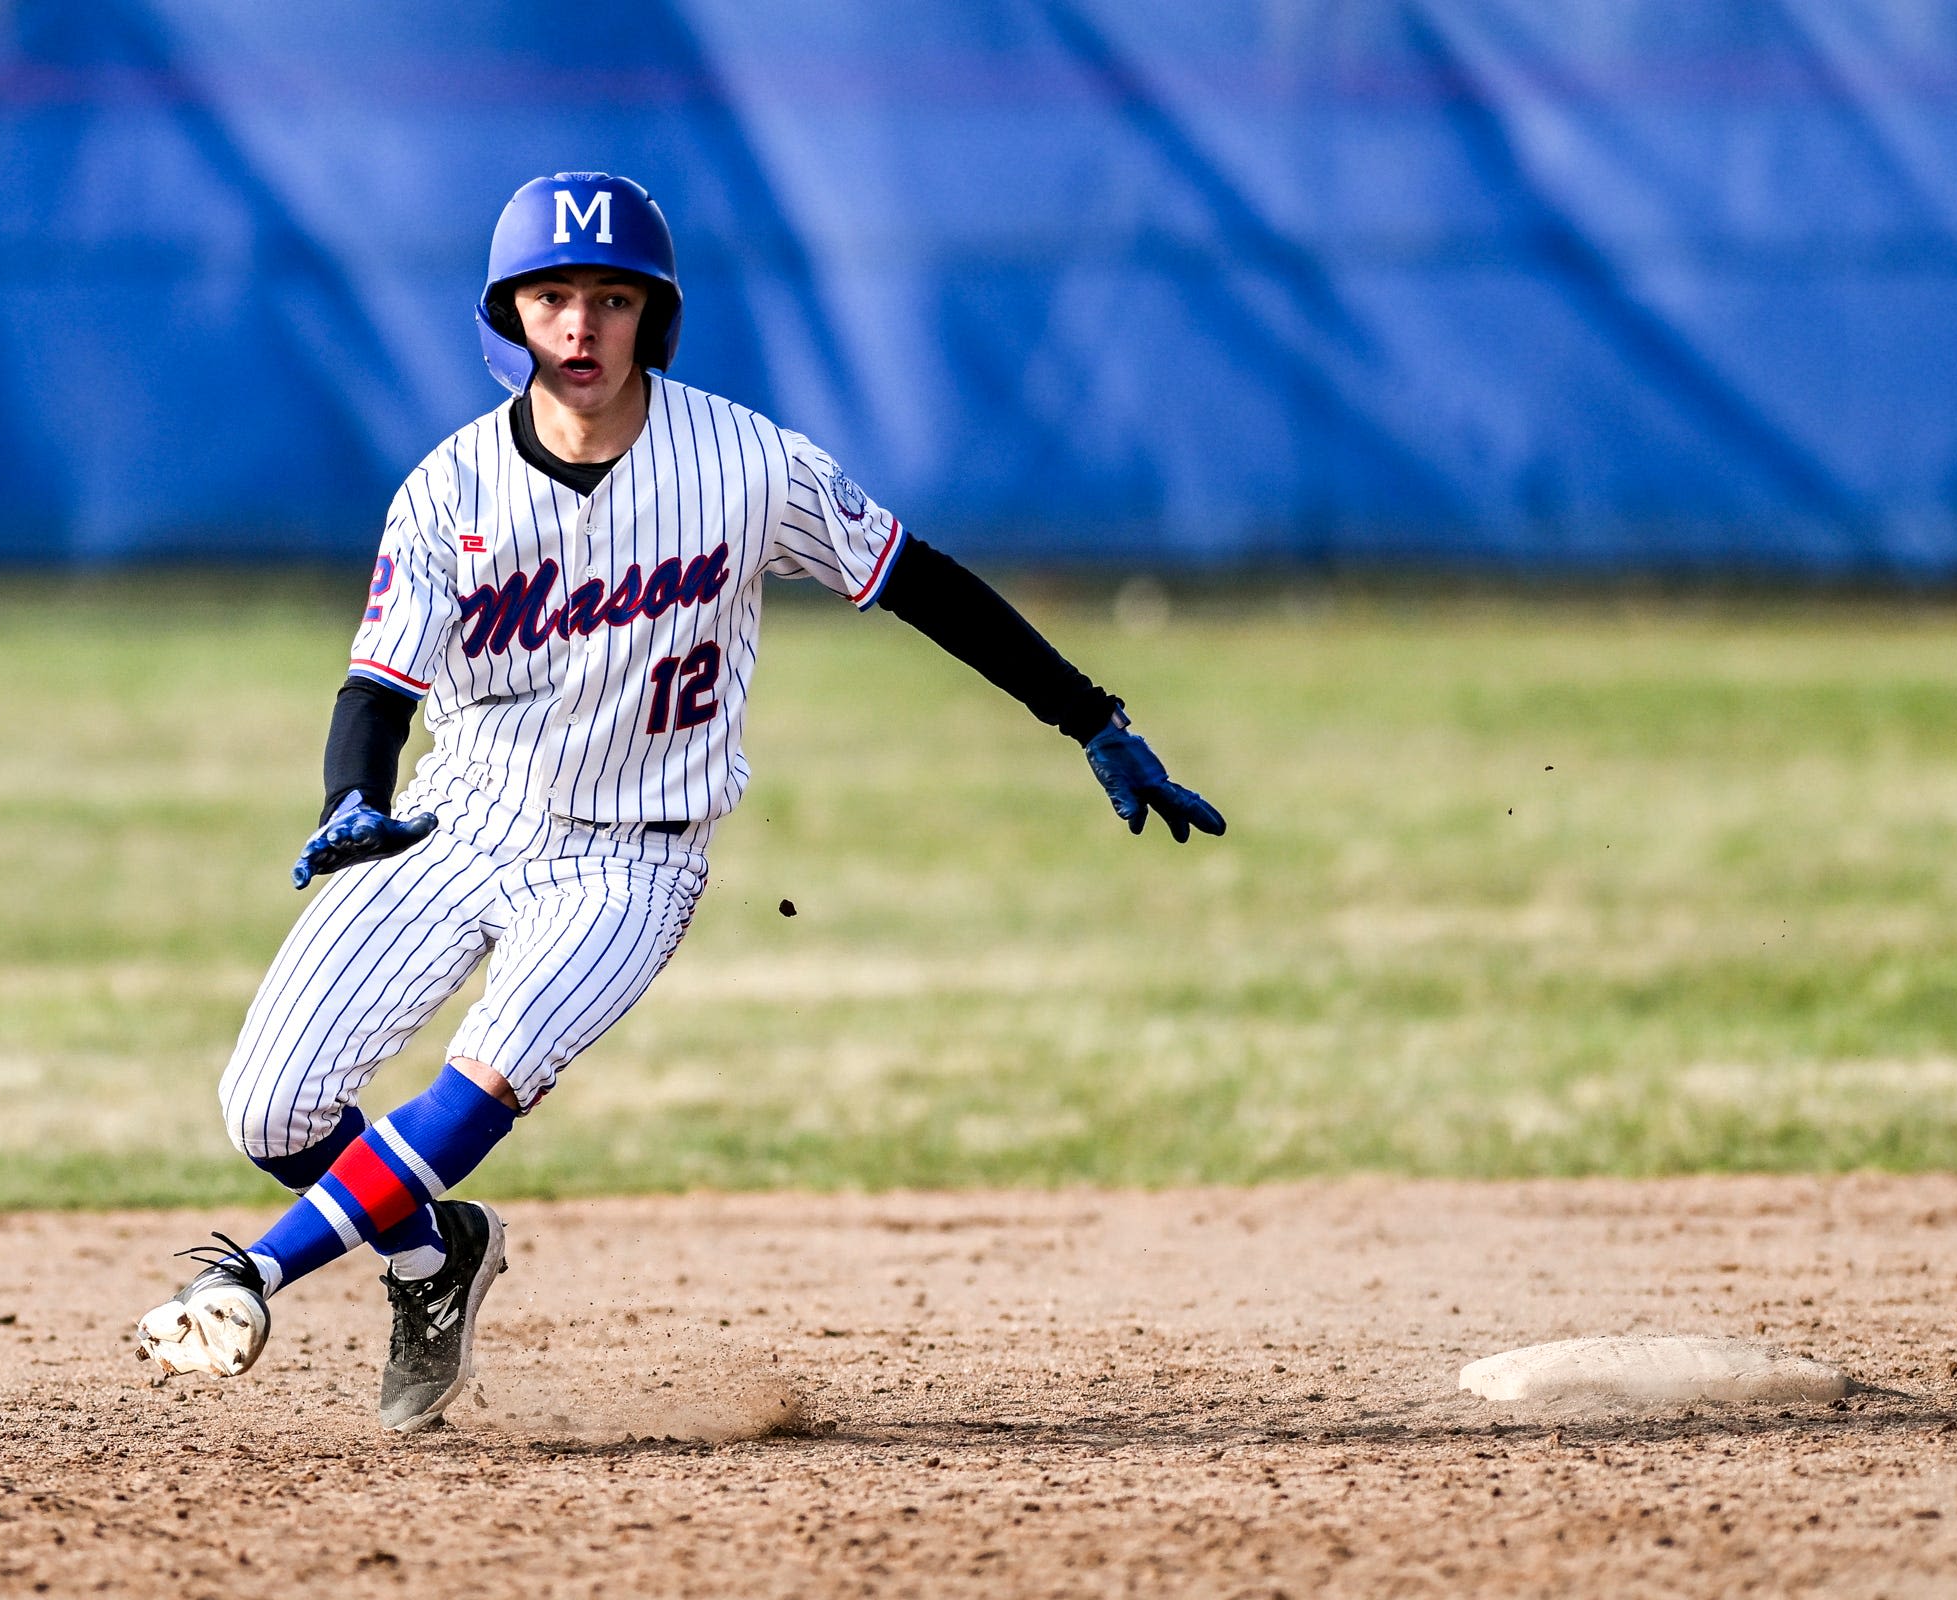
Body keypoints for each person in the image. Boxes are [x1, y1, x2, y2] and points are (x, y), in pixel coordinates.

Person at [134, 172, 1224, 1431]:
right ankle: (439, 1260)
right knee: (267, 1103)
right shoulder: (449, 488)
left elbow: (920, 582)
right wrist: (349, 797)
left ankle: (253, 1269)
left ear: (657, 314)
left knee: (482, 1077)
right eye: (554, 297)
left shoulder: (749, 464)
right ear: (510, 314)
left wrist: (1091, 715)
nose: (583, 327)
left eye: (613, 297)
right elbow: (379, 678)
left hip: (635, 857)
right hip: (463, 820)